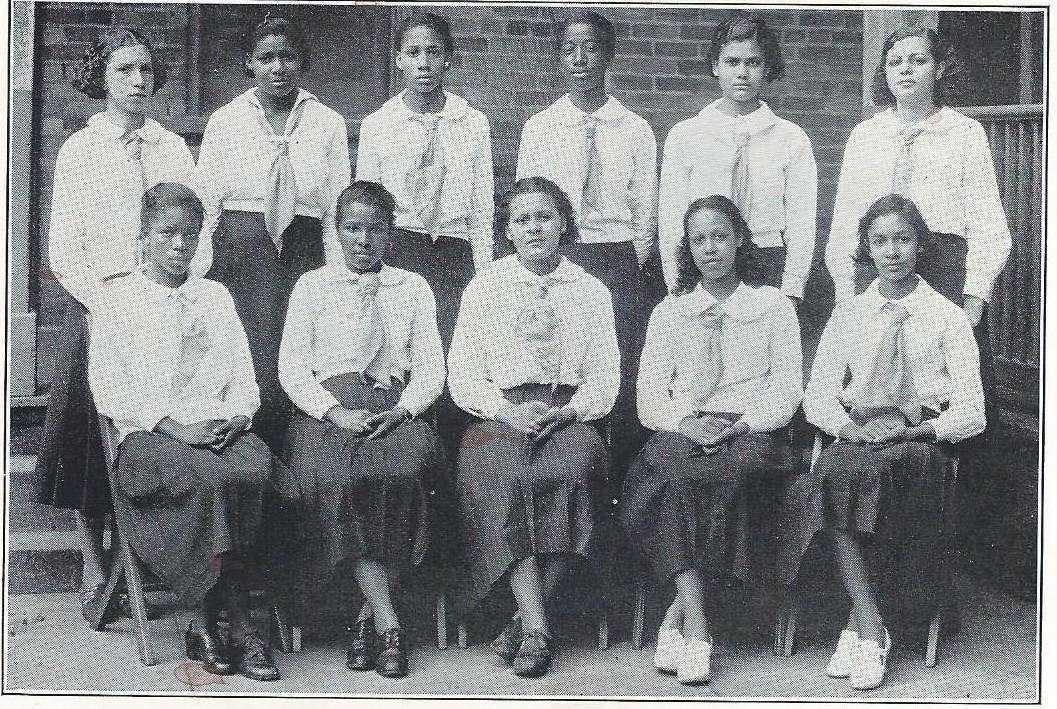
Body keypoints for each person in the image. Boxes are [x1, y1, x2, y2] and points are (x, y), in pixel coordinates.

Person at [780, 194, 985, 691]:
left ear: (920, 246)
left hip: (917, 439)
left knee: (874, 478)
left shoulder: (946, 317)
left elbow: (972, 412)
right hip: (859, 432)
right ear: (867, 250)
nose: (892, 251)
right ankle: (872, 627)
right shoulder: (849, 313)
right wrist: (850, 429)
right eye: (880, 241)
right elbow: (818, 398)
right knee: (835, 471)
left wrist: (912, 428)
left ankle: (858, 627)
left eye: (903, 239)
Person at [35, 27, 196, 628]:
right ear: (102, 77)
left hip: (163, 309)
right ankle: (91, 557)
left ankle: (154, 543)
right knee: (87, 437)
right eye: (125, 70)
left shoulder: (172, 148)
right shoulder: (82, 149)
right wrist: (110, 303)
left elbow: (194, 231)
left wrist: (171, 292)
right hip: (103, 308)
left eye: (145, 71)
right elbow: (63, 250)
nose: (137, 82)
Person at [88, 183, 281, 681]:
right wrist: (176, 428)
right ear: (143, 236)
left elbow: (244, 375)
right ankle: (222, 621)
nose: (179, 245)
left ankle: (213, 622)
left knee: (258, 469)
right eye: (167, 233)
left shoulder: (214, 296)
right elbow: (109, 391)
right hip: (150, 437)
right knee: (210, 482)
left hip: (217, 430)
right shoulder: (118, 299)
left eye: (189, 236)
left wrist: (238, 416)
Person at [621, 195, 802, 685]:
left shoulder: (772, 306)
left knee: (725, 472)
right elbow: (648, 397)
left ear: (739, 239)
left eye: (720, 236)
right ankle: (699, 626)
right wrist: (684, 422)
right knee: (670, 473)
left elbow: (787, 390)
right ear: (688, 248)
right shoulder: (671, 311)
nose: (710, 248)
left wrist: (742, 424)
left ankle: (676, 617)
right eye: (698, 239)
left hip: (750, 428)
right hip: (685, 424)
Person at [447, 177, 620, 678]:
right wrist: (504, 410)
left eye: (544, 216)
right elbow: (463, 371)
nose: (534, 228)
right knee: (502, 476)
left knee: (574, 474)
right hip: (501, 412)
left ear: (563, 223)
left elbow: (606, 375)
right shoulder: (486, 286)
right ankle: (539, 628)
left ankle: (524, 620)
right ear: (507, 230)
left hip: (568, 412)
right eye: (522, 219)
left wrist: (571, 410)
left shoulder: (590, 290)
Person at [277, 181, 448, 679]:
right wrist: (333, 412)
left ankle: (365, 618)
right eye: (352, 228)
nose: (363, 239)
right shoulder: (312, 286)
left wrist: (407, 409)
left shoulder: (411, 287)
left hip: (394, 410)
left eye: (375, 229)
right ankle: (389, 622)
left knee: (407, 472)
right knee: (340, 480)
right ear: (336, 231)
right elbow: (292, 369)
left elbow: (432, 369)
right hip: (326, 414)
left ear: (390, 234)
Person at [824, 26, 1009, 404]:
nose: (905, 70)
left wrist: (974, 298)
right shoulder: (866, 135)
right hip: (878, 264)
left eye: (918, 60)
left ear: (939, 69)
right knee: (867, 382)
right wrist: (846, 292)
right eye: (895, 62)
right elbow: (846, 221)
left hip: (943, 267)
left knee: (948, 389)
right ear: (885, 72)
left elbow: (988, 223)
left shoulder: (965, 133)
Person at [194, 15, 350, 453]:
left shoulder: (328, 122)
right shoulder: (227, 120)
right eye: (266, 58)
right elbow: (206, 204)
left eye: (287, 57)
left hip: (302, 252)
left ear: (302, 63)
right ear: (249, 63)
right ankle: (251, 458)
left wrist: (336, 275)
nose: (277, 67)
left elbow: (336, 208)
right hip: (241, 251)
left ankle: (295, 467)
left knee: (298, 352)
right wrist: (201, 271)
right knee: (249, 355)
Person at [516, 10, 657, 493]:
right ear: (559, 58)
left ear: (609, 55)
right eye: (570, 49)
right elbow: (527, 200)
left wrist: (625, 261)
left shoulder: (634, 128)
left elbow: (645, 211)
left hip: (615, 257)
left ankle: (612, 483)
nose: (580, 59)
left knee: (615, 367)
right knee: (563, 360)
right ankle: (559, 474)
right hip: (560, 256)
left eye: (592, 47)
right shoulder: (541, 126)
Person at [356, 11, 494, 352]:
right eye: (414, 53)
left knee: (451, 349)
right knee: (397, 352)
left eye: (433, 52)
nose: (424, 63)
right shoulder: (379, 124)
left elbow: (481, 207)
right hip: (398, 247)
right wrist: (368, 269)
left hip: (453, 249)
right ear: (400, 60)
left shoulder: (473, 123)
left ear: (447, 59)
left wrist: (484, 274)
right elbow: (365, 207)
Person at [658, 11, 816, 306]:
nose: (742, 72)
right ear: (716, 66)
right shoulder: (686, 135)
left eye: (753, 62)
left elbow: (801, 224)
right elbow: (671, 221)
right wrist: (676, 284)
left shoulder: (791, 139)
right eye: (732, 62)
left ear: (767, 67)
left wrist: (792, 288)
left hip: (767, 261)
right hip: (704, 262)